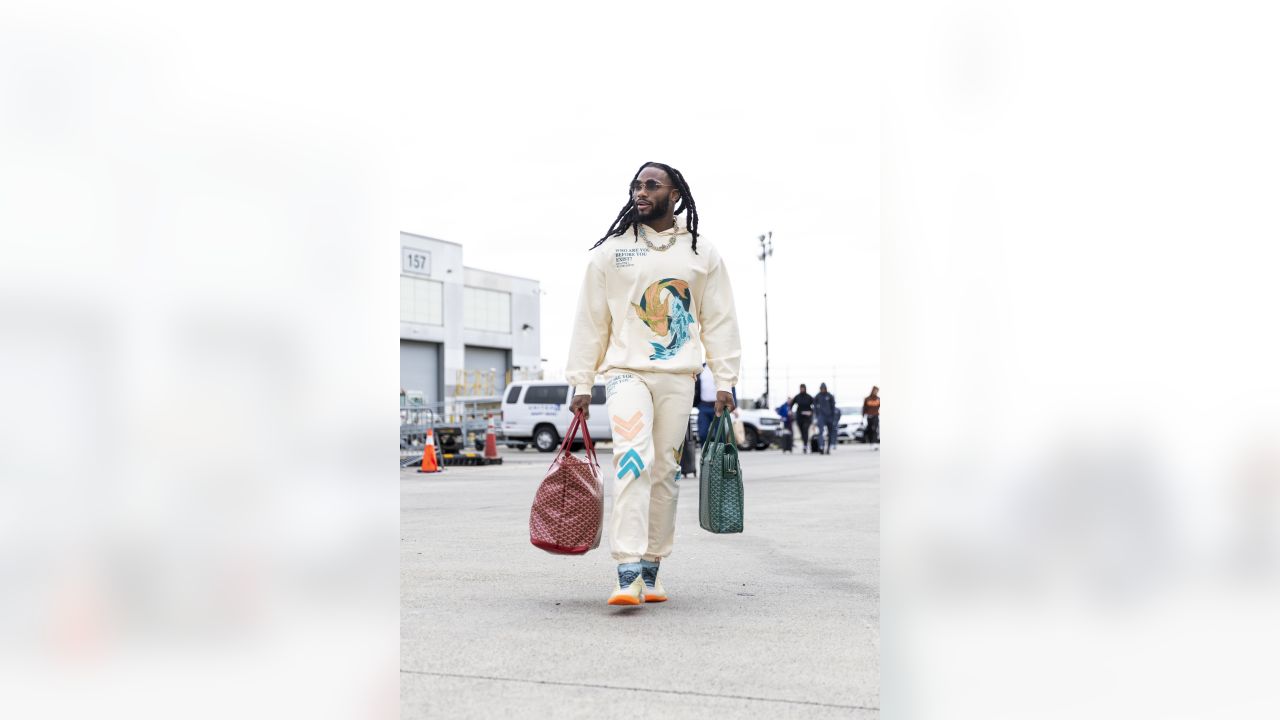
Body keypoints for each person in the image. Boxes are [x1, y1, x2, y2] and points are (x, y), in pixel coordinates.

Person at [566, 161, 741, 606]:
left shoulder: (701, 253)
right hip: (625, 373)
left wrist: (726, 379)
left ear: (675, 195)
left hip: (679, 376)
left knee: (665, 471)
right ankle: (626, 571)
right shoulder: (612, 252)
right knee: (632, 458)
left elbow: (718, 319)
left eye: (651, 185)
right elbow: (591, 320)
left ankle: (651, 565)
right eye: (636, 186)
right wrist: (581, 381)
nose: (640, 192)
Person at [813, 382, 838, 454]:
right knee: (820, 432)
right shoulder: (818, 396)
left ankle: (828, 448)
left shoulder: (830, 396)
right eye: (821, 388)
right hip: (821, 416)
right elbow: (814, 406)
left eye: (824, 388)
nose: (823, 390)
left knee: (830, 433)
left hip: (829, 417)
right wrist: (817, 415)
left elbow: (833, 407)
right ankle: (821, 446)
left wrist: (834, 417)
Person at [790, 384, 814, 453]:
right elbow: (792, 404)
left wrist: (811, 412)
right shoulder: (797, 397)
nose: (802, 389)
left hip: (807, 417)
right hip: (799, 417)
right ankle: (804, 443)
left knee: (805, 429)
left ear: (805, 389)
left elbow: (814, 405)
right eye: (801, 388)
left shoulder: (809, 397)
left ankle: (805, 445)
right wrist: (790, 411)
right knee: (802, 431)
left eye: (803, 388)